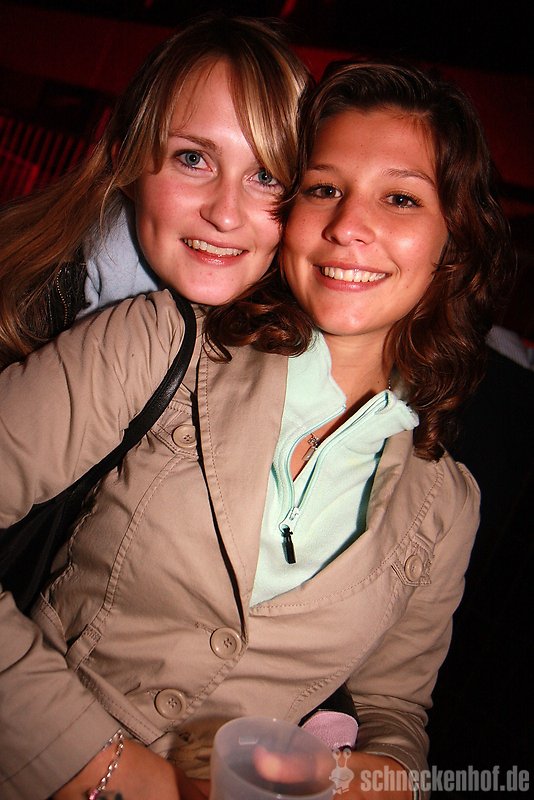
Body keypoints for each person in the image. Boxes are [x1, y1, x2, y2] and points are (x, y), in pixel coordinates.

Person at [0, 62, 512, 800]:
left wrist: (388, 775)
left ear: (453, 242)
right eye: (324, 189)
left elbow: (395, 708)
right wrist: (93, 761)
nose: (347, 226)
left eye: (400, 198)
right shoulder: (158, 343)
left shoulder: (447, 505)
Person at [0, 13, 309, 369]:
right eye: (193, 159)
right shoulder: (26, 303)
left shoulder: (296, 356)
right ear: (127, 166)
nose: (225, 215)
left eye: (266, 176)